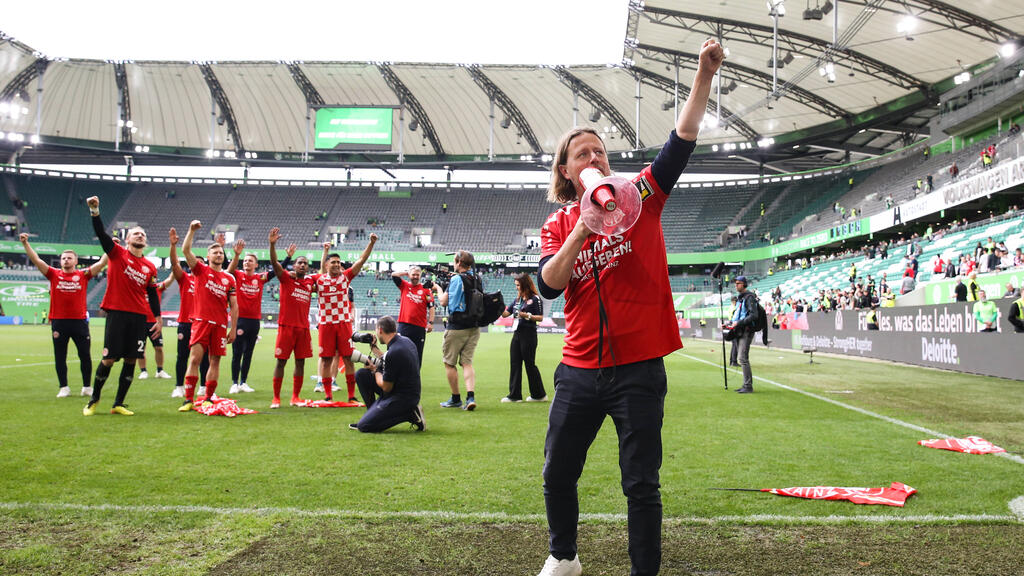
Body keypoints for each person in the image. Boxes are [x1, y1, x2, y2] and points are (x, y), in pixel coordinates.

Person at [534, 38, 723, 576]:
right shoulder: (556, 223)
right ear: (567, 172)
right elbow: (550, 285)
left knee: (641, 483)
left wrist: (702, 78)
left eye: (600, 151)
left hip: (639, 367)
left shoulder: (642, 194)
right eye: (582, 155)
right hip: (578, 368)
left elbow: (682, 138)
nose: (594, 158)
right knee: (557, 472)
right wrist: (583, 230)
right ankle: (564, 557)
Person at [82, 196, 162, 416]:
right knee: (108, 359)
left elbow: (152, 292)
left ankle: (118, 403)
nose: (140, 236)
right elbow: (101, 234)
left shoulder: (149, 267)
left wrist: (158, 317)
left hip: (139, 317)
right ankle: (93, 400)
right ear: (127, 239)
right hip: (117, 313)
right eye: (136, 233)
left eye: (143, 234)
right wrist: (95, 211)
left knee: (131, 359)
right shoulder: (117, 253)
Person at [20, 234, 108, 398]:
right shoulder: (53, 274)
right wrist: (26, 244)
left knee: (85, 356)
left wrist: (111, 246)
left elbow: (102, 263)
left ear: (75, 261)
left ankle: (87, 387)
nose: (66, 260)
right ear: (60, 261)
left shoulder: (83, 275)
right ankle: (64, 387)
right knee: (60, 356)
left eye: (69, 258)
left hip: (79, 322)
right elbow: (37, 260)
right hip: (59, 322)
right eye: (63, 258)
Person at [177, 220, 238, 411]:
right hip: (201, 321)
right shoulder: (200, 270)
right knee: (195, 358)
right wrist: (191, 230)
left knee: (215, 360)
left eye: (221, 253)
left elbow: (234, 306)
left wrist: (233, 328)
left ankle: (208, 397)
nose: (219, 255)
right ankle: (188, 399)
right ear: (208, 256)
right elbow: (186, 251)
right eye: (215, 252)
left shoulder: (229, 279)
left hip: (220, 325)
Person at [313, 236, 377, 402]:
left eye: (338, 262)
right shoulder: (319, 280)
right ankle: (328, 395)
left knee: (348, 359)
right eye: (332, 262)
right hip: (326, 325)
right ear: (327, 265)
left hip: (343, 324)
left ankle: (351, 396)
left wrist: (371, 243)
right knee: (326, 360)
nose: (336, 265)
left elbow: (362, 260)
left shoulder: (346, 277)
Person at [225, 238, 291, 394]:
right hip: (239, 320)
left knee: (248, 353)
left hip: (254, 321)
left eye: (251, 261)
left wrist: (288, 257)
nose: (247, 263)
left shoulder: (260, 278)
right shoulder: (238, 275)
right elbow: (229, 271)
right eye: (246, 260)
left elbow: (276, 271)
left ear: (256, 265)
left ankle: (243, 382)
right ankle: (234, 382)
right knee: (237, 352)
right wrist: (236, 255)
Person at [349, 315, 425, 433]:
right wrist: (373, 347)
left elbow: (386, 386)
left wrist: (375, 371)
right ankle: (373, 413)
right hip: (407, 391)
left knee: (364, 426)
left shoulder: (394, 352)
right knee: (362, 374)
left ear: (380, 330)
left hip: (402, 398)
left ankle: (409, 414)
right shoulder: (405, 341)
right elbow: (388, 359)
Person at [268, 227, 315, 408]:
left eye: (305, 263)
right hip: (286, 327)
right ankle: (276, 398)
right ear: (294, 266)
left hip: (303, 329)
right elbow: (274, 263)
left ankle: (295, 397)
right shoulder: (286, 278)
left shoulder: (311, 283)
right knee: (281, 362)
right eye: (299, 263)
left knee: (300, 362)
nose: (302, 265)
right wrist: (272, 245)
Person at [434, 250, 481, 411]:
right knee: (467, 363)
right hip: (474, 327)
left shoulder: (456, 279)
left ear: (459, 263)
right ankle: (471, 397)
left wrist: (438, 289)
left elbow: (444, 302)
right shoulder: (476, 277)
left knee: (449, 363)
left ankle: (456, 398)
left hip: (457, 327)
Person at [167, 228, 210, 398]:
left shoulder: (208, 280)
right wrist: (173, 246)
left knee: (204, 357)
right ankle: (179, 386)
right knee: (182, 356)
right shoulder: (185, 278)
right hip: (185, 322)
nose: (196, 265)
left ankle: (203, 386)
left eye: (200, 262)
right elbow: (174, 264)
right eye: (194, 262)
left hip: (202, 323)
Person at [500, 273, 547, 403]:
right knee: (514, 363)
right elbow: (505, 314)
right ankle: (514, 395)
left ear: (525, 285)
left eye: (518, 285)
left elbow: (540, 317)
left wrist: (526, 315)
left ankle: (539, 395)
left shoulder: (535, 298)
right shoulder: (517, 300)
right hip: (517, 334)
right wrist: (496, 304)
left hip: (529, 334)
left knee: (529, 364)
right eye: (516, 285)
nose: (516, 288)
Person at [392, 265, 435, 367]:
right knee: (400, 352)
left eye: (417, 274)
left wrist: (431, 322)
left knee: (417, 354)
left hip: (419, 327)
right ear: (409, 275)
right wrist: (406, 272)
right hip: (404, 325)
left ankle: (415, 379)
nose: (415, 276)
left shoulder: (426, 290)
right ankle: (400, 377)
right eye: (413, 274)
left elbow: (432, 307)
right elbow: (394, 275)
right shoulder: (404, 285)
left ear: (420, 275)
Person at [724, 276, 758, 394]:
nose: (736, 285)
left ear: (744, 284)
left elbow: (754, 315)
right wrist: (729, 324)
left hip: (746, 330)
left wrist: (739, 323)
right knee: (742, 358)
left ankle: (748, 386)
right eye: (736, 283)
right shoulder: (741, 298)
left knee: (743, 358)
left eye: (738, 283)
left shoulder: (749, 298)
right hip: (739, 330)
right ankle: (745, 384)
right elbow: (738, 315)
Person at [137, 275, 173, 380]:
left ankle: (160, 370)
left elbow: (170, 279)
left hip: (154, 323)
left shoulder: (158, 287)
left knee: (158, 348)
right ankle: (143, 371)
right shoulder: (138, 288)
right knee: (140, 349)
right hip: (140, 322)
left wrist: (176, 267)